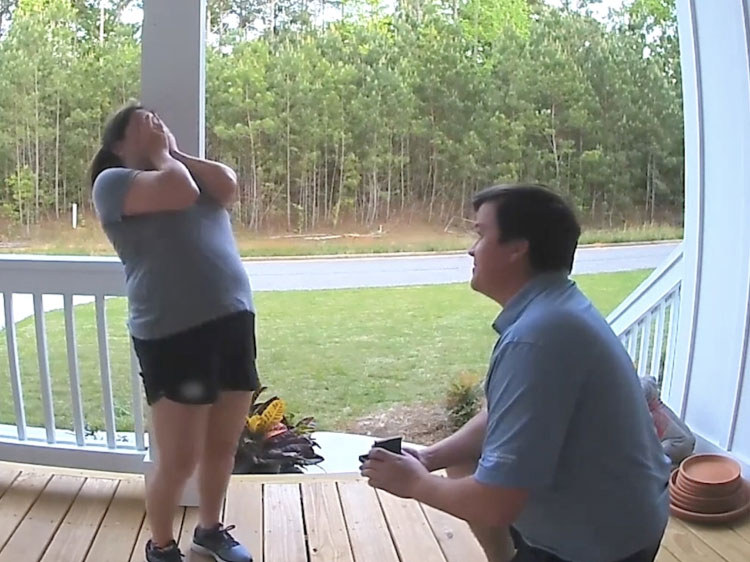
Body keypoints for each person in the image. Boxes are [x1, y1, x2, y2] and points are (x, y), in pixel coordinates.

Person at [361, 184, 671, 562]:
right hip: (625, 522)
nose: (471, 249)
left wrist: (414, 483)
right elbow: (507, 418)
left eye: (480, 234)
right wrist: (428, 458)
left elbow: (495, 503)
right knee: (462, 458)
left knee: (477, 478)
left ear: (516, 248)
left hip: (598, 547)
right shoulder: (557, 309)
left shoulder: (537, 337)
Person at [91, 104, 256, 562]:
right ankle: (161, 545)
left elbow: (228, 185)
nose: (156, 125)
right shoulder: (114, 184)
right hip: (172, 332)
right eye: (143, 124)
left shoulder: (182, 170)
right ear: (118, 145)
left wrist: (174, 150)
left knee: (223, 445)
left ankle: (209, 529)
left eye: (159, 120)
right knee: (179, 457)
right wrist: (164, 156)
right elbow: (179, 191)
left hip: (231, 320)